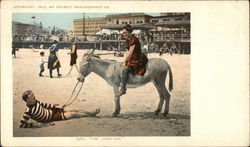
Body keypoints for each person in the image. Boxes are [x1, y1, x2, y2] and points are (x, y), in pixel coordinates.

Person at [19, 90, 101, 128]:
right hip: (53, 117)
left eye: (33, 95)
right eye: (32, 96)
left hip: (53, 110)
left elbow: (45, 105)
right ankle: (90, 115)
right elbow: (21, 124)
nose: (34, 97)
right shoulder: (28, 112)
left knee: (74, 109)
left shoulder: (35, 101)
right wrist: (38, 124)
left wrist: (57, 106)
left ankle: (90, 112)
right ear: (27, 100)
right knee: (73, 114)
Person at [118, 24, 148, 96]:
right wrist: (124, 60)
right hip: (132, 57)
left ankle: (123, 89)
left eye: (125, 33)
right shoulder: (127, 39)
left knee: (125, 70)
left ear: (130, 32)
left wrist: (125, 61)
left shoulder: (133, 39)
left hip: (138, 58)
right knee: (122, 66)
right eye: (123, 33)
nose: (124, 34)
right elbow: (127, 51)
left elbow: (131, 51)